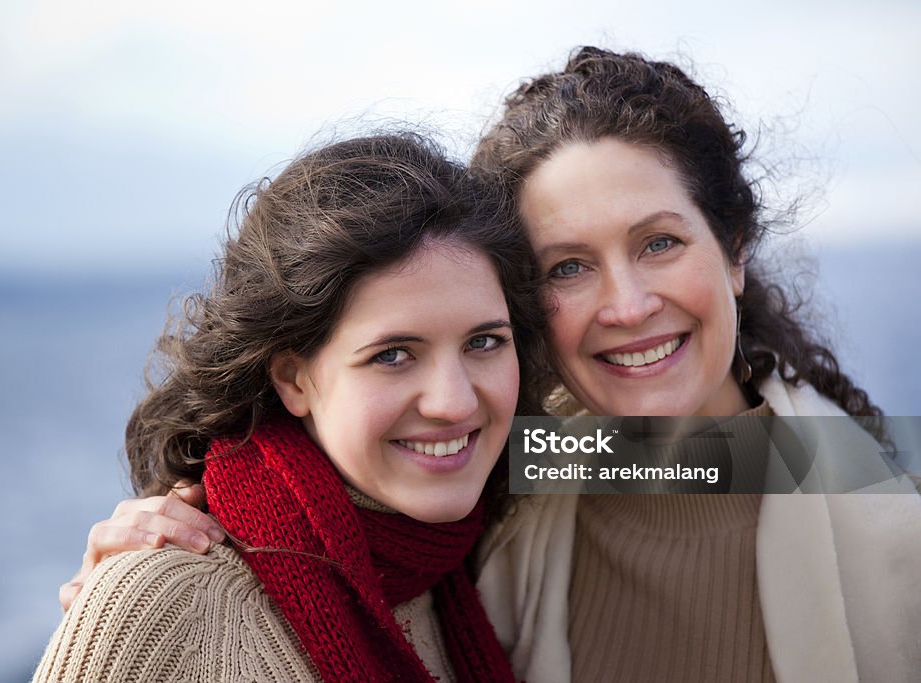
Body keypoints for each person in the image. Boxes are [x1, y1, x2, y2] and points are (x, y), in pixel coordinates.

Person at [62, 48, 921, 682]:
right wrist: (147, 561)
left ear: (734, 248)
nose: (625, 305)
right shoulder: (502, 485)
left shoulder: (887, 519)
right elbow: (327, 507)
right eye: (568, 267)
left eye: (660, 242)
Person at [33, 133, 551, 682]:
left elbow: (650, 459)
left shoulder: (498, 505)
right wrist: (123, 605)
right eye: (393, 355)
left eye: (484, 342)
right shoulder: (169, 601)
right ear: (293, 378)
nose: (454, 402)